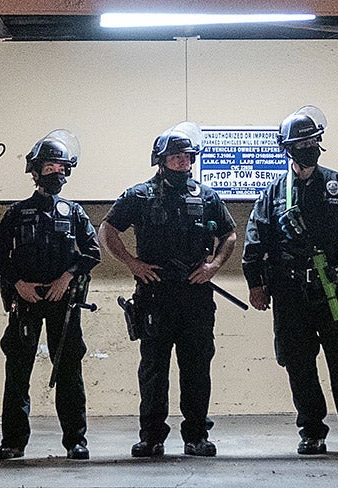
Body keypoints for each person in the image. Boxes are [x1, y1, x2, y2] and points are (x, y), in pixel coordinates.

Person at [243, 106, 338, 458]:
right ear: (287, 149)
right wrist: (255, 284)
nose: (308, 148)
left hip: (333, 290)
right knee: (299, 365)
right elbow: (254, 240)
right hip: (290, 293)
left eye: (313, 141)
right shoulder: (275, 194)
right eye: (301, 143)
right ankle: (311, 431)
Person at [99, 121, 237, 457]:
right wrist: (132, 263)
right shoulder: (139, 196)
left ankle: (196, 436)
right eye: (176, 156)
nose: (183, 161)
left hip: (195, 297)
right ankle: (151, 437)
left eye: (187, 156)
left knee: (196, 369)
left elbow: (230, 235)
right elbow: (106, 229)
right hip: (156, 296)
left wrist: (214, 266)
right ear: (161, 159)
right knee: (153, 371)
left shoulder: (206, 196)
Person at [0, 129, 101, 461]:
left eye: (62, 167)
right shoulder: (16, 212)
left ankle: (75, 441)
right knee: (18, 370)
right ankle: (13, 441)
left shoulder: (75, 212)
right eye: (51, 166)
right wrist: (18, 283)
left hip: (62, 301)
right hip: (25, 300)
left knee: (68, 370)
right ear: (36, 171)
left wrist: (67, 278)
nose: (58, 172)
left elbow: (92, 253)